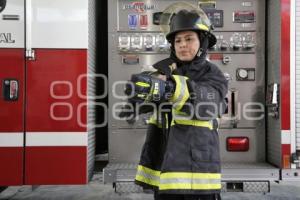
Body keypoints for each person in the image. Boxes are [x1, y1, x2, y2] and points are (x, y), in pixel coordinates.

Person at [123, 5, 228, 200]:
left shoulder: (213, 74)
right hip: (166, 173)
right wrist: (137, 97)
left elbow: (208, 102)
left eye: (189, 39)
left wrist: (170, 88)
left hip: (198, 176)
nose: (182, 45)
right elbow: (145, 105)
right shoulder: (163, 71)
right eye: (178, 40)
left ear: (202, 43)